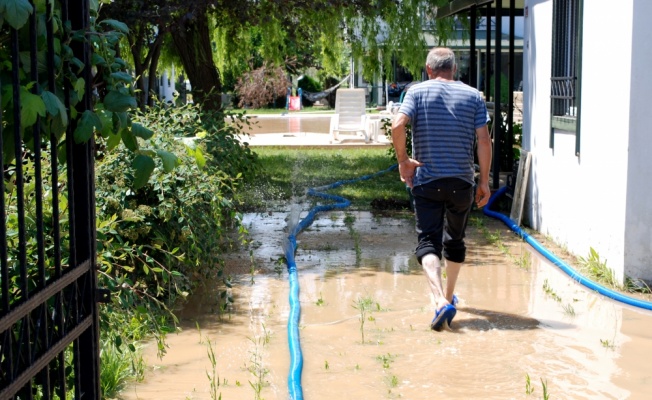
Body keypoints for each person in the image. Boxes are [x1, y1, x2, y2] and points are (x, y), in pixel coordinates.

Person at [391, 47, 492, 331]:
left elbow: (398, 125)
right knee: (455, 240)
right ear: (454, 70)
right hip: (462, 183)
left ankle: (439, 301)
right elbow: (484, 141)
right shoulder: (473, 95)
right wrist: (484, 181)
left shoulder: (416, 92)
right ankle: (448, 297)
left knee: (428, 243)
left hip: (428, 181)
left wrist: (403, 161)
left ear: (428, 69)